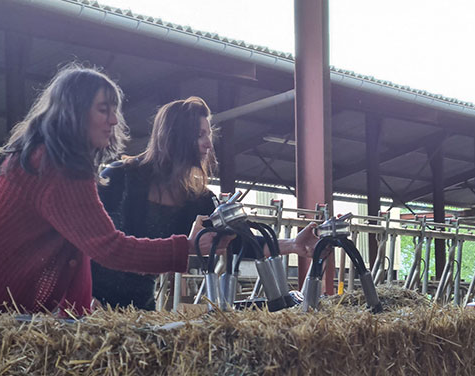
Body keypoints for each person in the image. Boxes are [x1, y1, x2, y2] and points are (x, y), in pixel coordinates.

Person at [0, 66, 211, 316]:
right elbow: (108, 248)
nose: (114, 120)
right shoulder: (57, 166)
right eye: (104, 110)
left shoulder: (44, 156)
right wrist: (187, 247)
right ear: (75, 112)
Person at [92, 96, 316, 310]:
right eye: (200, 135)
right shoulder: (119, 179)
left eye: (208, 134)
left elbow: (238, 243)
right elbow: (89, 241)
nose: (209, 144)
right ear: (174, 137)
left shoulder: (197, 198)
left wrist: (293, 245)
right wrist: (84, 294)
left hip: (138, 306)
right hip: (88, 302)